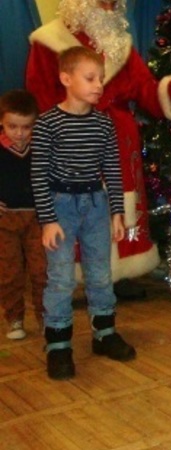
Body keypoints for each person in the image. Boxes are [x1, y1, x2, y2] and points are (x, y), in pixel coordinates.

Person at [25, 0, 171, 298]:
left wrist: (170, 92)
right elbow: (40, 93)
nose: (111, 5)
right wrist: (60, 134)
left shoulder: (120, 43)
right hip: (73, 137)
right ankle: (74, 275)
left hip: (119, 139)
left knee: (120, 201)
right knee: (76, 206)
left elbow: (145, 88)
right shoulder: (49, 40)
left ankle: (120, 272)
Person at [31, 46, 138, 380]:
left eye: (101, 79)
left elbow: (113, 169)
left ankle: (104, 333)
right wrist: (48, 220)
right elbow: (39, 174)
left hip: (95, 205)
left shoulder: (103, 124)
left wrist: (117, 212)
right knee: (61, 277)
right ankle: (58, 344)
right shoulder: (47, 123)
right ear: (66, 79)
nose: (98, 85)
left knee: (100, 273)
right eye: (90, 78)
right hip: (60, 205)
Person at [0, 89, 46, 340]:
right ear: (2, 122)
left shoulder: (41, 148)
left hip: (37, 219)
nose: (19, 133)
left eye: (26, 127)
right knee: (10, 272)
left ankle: (46, 317)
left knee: (42, 271)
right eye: (12, 126)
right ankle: (14, 318)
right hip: (5, 221)